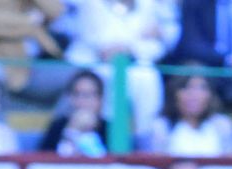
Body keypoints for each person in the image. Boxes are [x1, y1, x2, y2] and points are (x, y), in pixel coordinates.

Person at [64, 0, 175, 136]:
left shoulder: (148, 4)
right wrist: (136, 43)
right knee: (112, 77)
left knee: (148, 75)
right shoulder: (92, 4)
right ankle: (109, 133)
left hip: (133, 63)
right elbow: (103, 45)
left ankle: (144, 134)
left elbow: (157, 47)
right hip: (94, 64)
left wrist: (130, 48)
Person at [0, 0, 70, 101]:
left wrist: (22, 22)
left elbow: (56, 11)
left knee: (76, 77)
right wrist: (29, 20)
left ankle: (63, 118)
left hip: (33, 64)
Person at [147, 73, 232, 155]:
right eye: (187, 87)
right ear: (174, 93)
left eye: (201, 88)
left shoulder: (222, 125)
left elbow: (230, 162)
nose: (194, 95)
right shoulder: (161, 127)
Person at [38, 69, 111, 156]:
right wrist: (72, 130)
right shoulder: (58, 126)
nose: (81, 101)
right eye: (76, 94)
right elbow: (44, 158)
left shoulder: (110, 129)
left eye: (87, 95)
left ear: (100, 99)